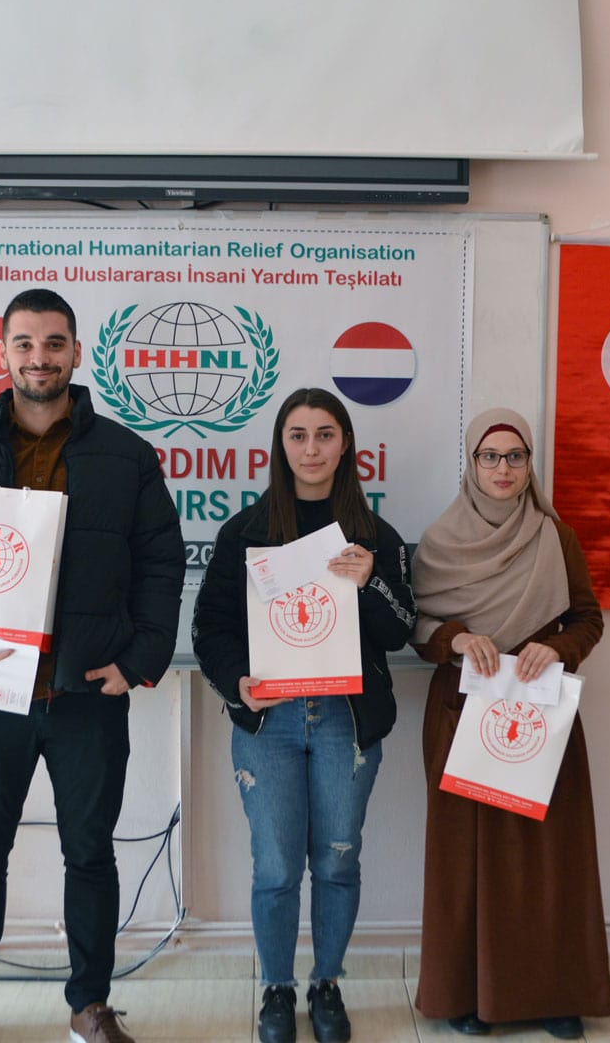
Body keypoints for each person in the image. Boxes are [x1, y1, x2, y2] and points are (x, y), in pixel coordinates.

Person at [0, 288, 185, 1043]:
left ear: (77, 353)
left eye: (54, 343)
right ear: (1, 354)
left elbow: (161, 564)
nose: (39, 357)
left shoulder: (126, 454)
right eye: (24, 343)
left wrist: (139, 660)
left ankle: (89, 1005)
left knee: (89, 855)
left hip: (86, 692)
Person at [192, 387, 416, 1043]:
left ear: (345, 445)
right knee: (276, 867)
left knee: (339, 861)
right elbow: (210, 627)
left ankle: (326, 983)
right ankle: (276, 988)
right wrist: (237, 683)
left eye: (325, 434)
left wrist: (370, 581)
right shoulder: (244, 532)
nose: (311, 448)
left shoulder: (375, 537)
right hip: (271, 724)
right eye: (298, 435)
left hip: (347, 723)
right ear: (281, 445)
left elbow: (401, 629)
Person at [408, 408, 610, 1039]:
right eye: (490, 456)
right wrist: (455, 637)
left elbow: (588, 618)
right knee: (466, 860)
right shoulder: (439, 542)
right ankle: (466, 996)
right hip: (461, 710)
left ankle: (554, 996)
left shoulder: (556, 537)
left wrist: (557, 648)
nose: (503, 468)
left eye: (515, 456)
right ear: (471, 464)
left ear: (529, 466)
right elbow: (415, 625)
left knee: (548, 858)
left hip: (538, 707)